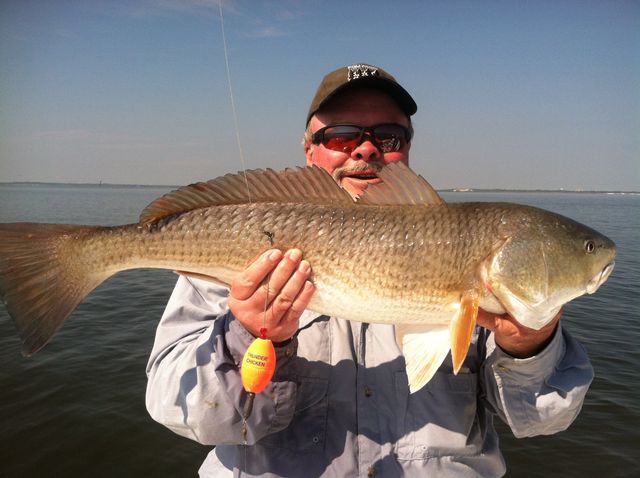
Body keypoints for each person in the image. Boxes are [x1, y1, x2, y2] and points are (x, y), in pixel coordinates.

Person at [146, 64, 593, 477]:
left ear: (407, 149)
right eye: (341, 136)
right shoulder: (236, 253)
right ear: (309, 151)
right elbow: (182, 410)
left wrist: (529, 348)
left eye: (389, 137)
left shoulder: (475, 266)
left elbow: (542, 421)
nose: (365, 148)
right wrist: (246, 336)